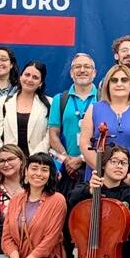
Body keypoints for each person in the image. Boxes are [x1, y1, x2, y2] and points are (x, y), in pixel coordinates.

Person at [80, 64, 130, 183]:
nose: (119, 84)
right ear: (107, 85)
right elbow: (84, 143)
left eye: (124, 80)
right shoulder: (94, 109)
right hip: (99, 179)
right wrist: (103, 171)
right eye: (114, 80)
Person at [48, 53, 99, 189]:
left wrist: (82, 158)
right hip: (67, 170)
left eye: (87, 67)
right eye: (78, 67)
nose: (82, 70)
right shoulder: (59, 99)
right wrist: (67, 159)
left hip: (94, 168)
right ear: (71, 73)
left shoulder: (103, 98)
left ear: (94, 73)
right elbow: (53, 134)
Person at [0, 60, 52, 160]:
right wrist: (2, 160)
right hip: (8, 163)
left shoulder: (50, 104)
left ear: (40, 83)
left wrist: (34, 159)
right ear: (20, 77)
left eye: (35, 77)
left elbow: (50, 136)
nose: (29, 79)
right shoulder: (3, 102)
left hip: (37, 163)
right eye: (27, 75)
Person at [0, 144, 26, 217]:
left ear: (21, 160)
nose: (6, 164)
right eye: (1, 161)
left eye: (10, 159)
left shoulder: (32, 187)